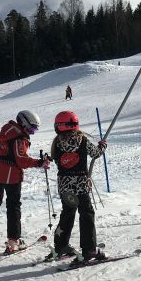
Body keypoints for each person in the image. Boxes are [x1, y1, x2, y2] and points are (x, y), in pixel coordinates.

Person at [0, 110, 49, 253]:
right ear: (24, 123)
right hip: (12, 176)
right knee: (13, 206)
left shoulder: (6, 131)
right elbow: (21, 160)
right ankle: (13, 240)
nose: (32, 132)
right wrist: (39, 163)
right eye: (32, 128)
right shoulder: (19, 137)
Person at [49, 111, 108, 262]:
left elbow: (57, 159)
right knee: (86, 214)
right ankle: (89, 250)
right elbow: (95, 153)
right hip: (80, 186)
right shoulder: (82, 140)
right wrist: (102, 146)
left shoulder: (56, 143)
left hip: (65, 187)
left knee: (68, 214)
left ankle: (60, 246)